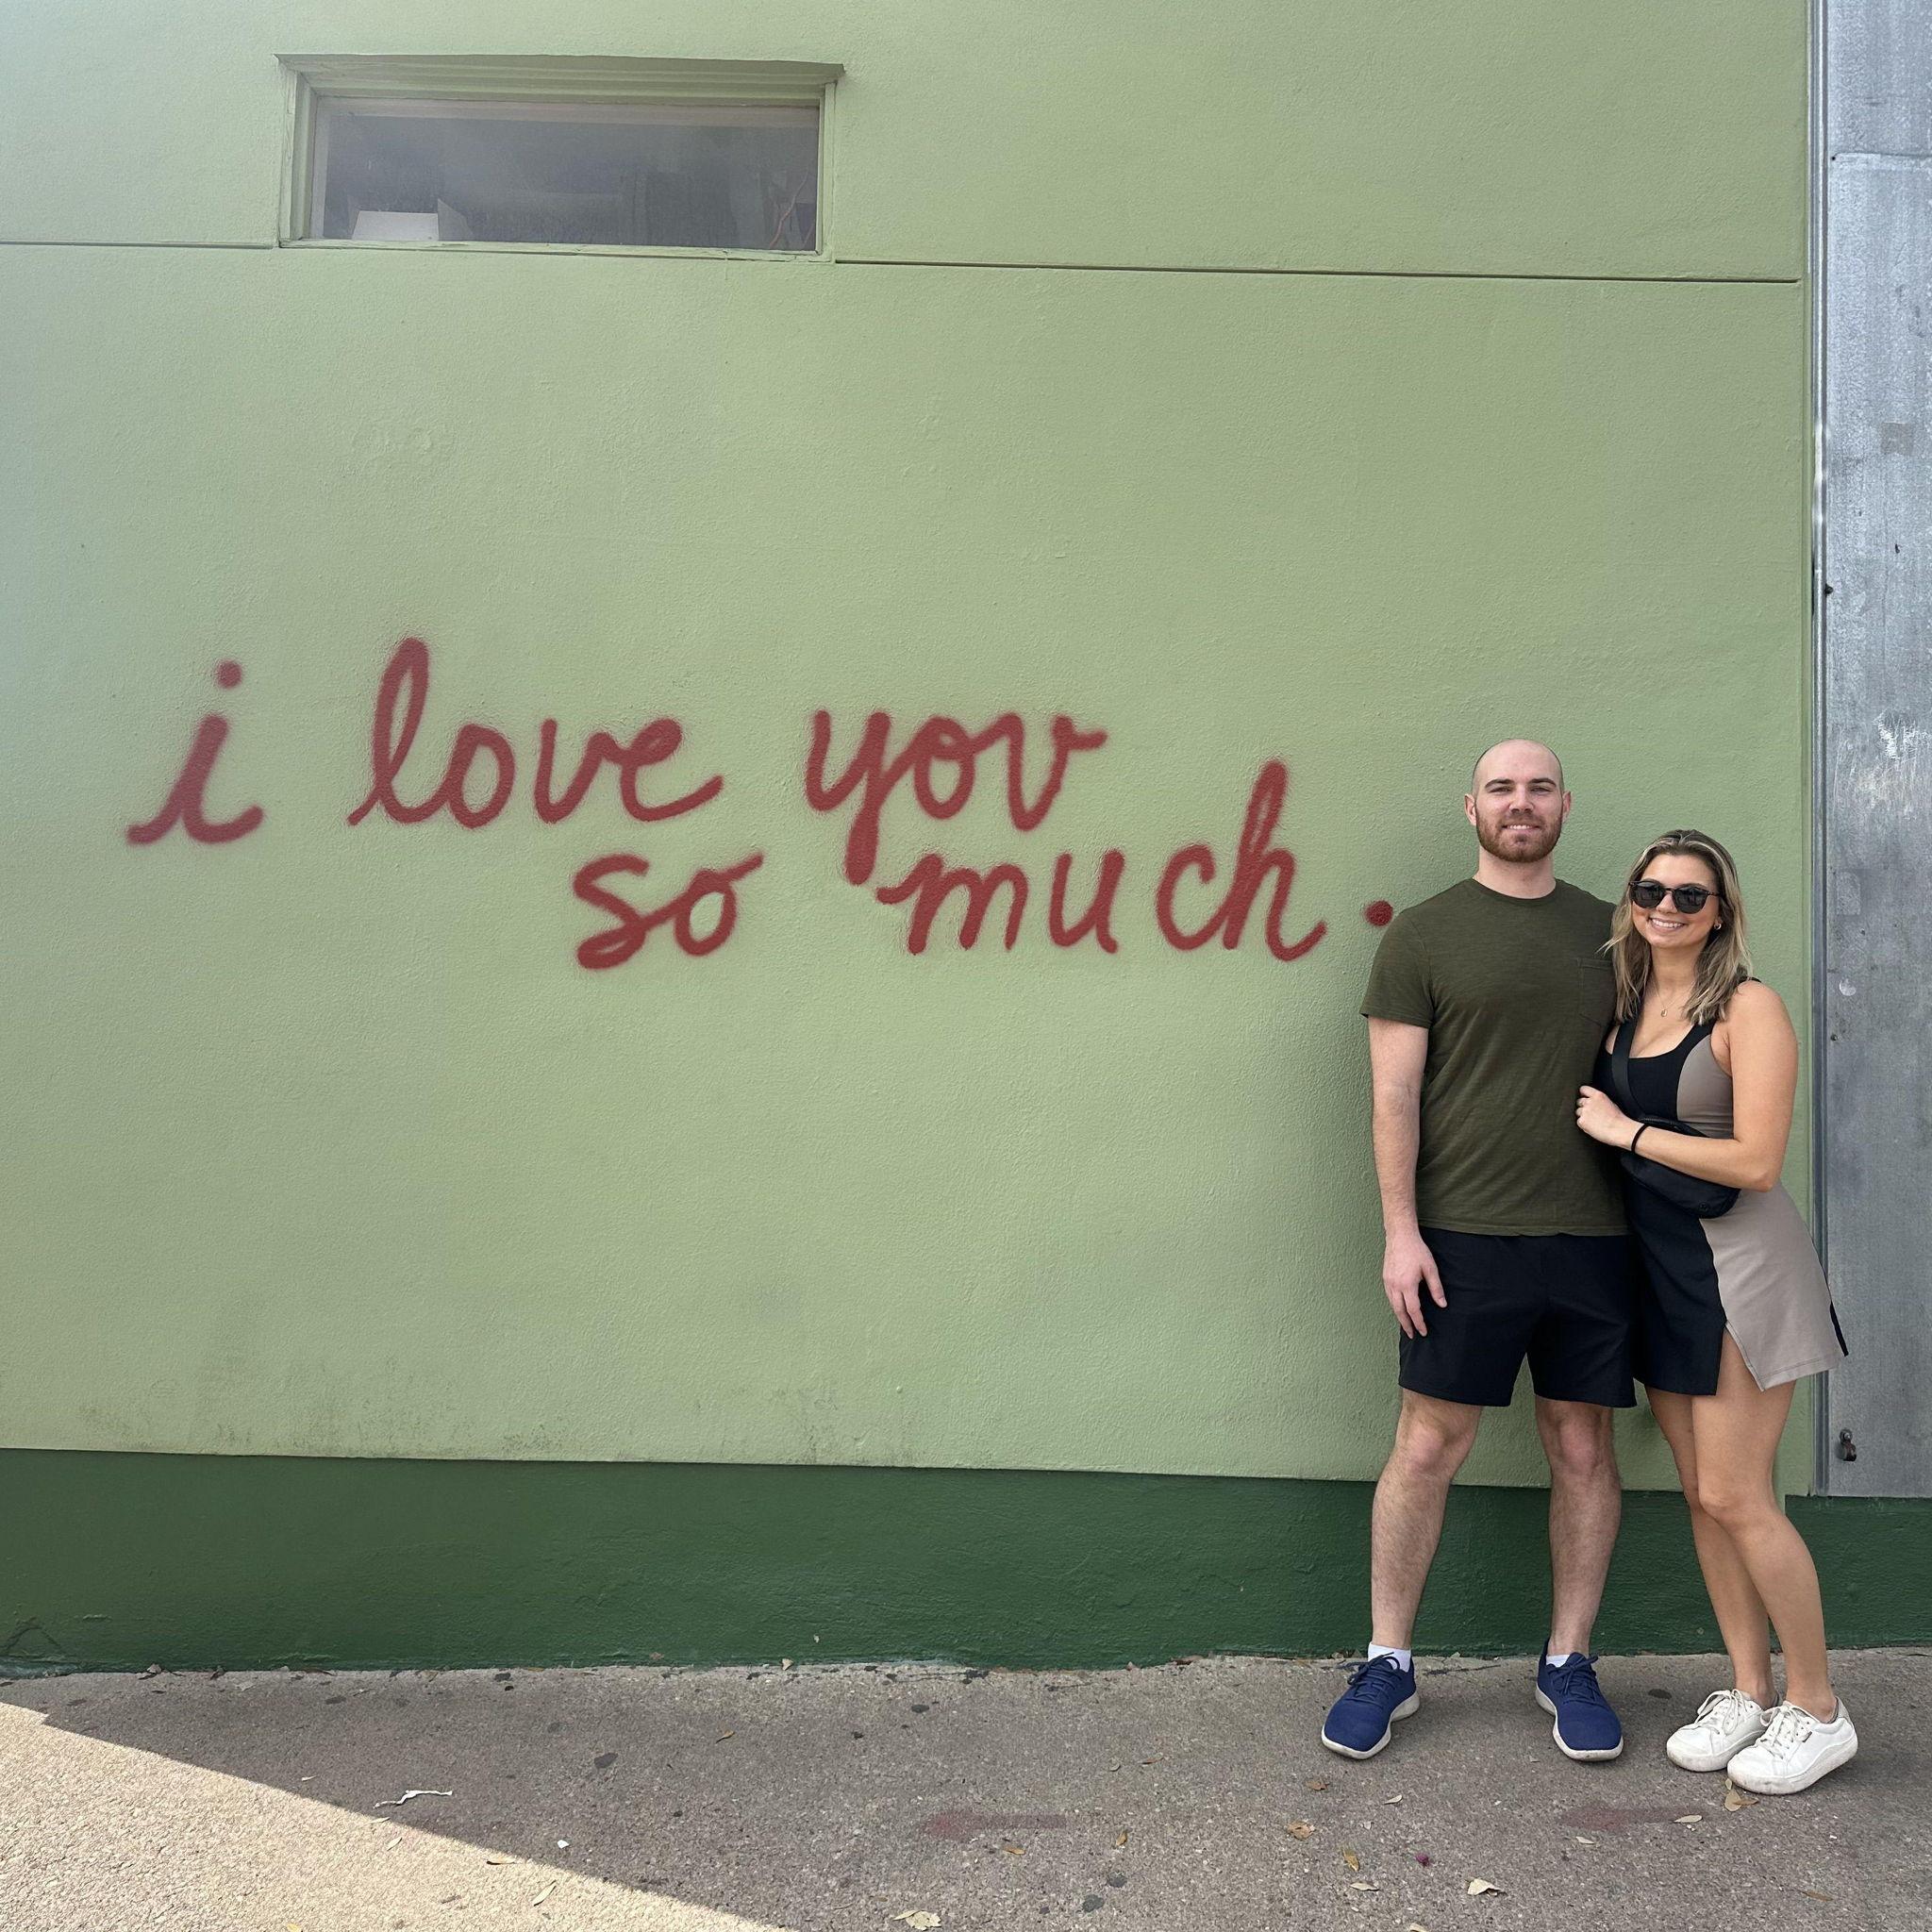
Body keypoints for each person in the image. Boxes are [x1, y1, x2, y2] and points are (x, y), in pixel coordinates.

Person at [1323, 741, 1631, 1765]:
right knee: (1425, 1446)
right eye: (1501, 788)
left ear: (1565, 804)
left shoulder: (1615, 933)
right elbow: (1393, 1094)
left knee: (1581, 1447)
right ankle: (1388, 1661)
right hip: (1459, 1237)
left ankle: (1567, 1661)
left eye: (1538, 787)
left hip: (1593, 1236)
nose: (1520, 802)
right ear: (1471, 808)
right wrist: (1400, 1232)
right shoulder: (1422, 933)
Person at [1574, 829, 1853, 1795]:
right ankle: (1748, 1689)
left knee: (1739, 1494)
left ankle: (1818, 1707)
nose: (1666, 906)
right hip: (1662, 1273)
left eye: (1689, 895)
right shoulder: (1626, 1003)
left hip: (1742, 1270)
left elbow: (1756, 1161)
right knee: (1701, 1495)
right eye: (1650, 889)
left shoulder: (1746, 1006)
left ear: (1721, 911)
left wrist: (1627, 1131)